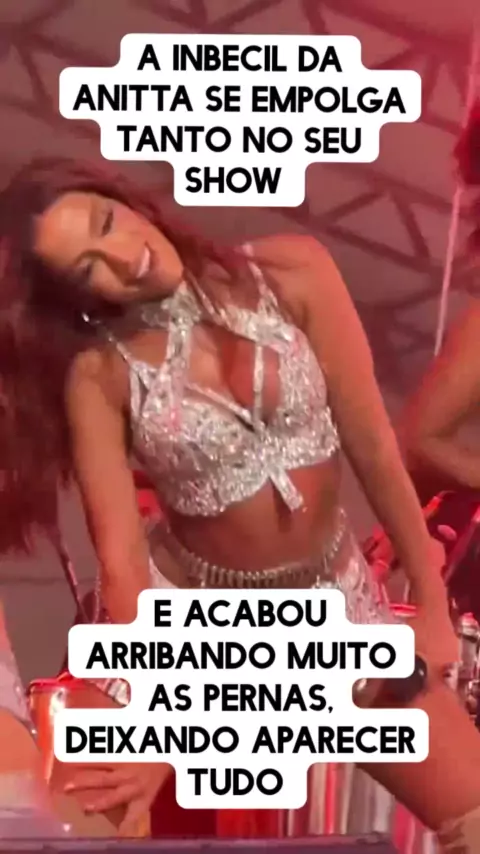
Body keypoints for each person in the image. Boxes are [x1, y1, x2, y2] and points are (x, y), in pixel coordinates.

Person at [0, 157, 479, 851]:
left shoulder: (294, 271)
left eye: (107, 224)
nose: (123, 258)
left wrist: (431, 605)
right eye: (88, 269)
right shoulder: (98, 375)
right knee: (82, 829)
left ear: (126, 201)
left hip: (334, 610)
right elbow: (125, 571)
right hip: (184, 631)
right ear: (78, 299)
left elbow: (376, 447)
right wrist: (162, 728)